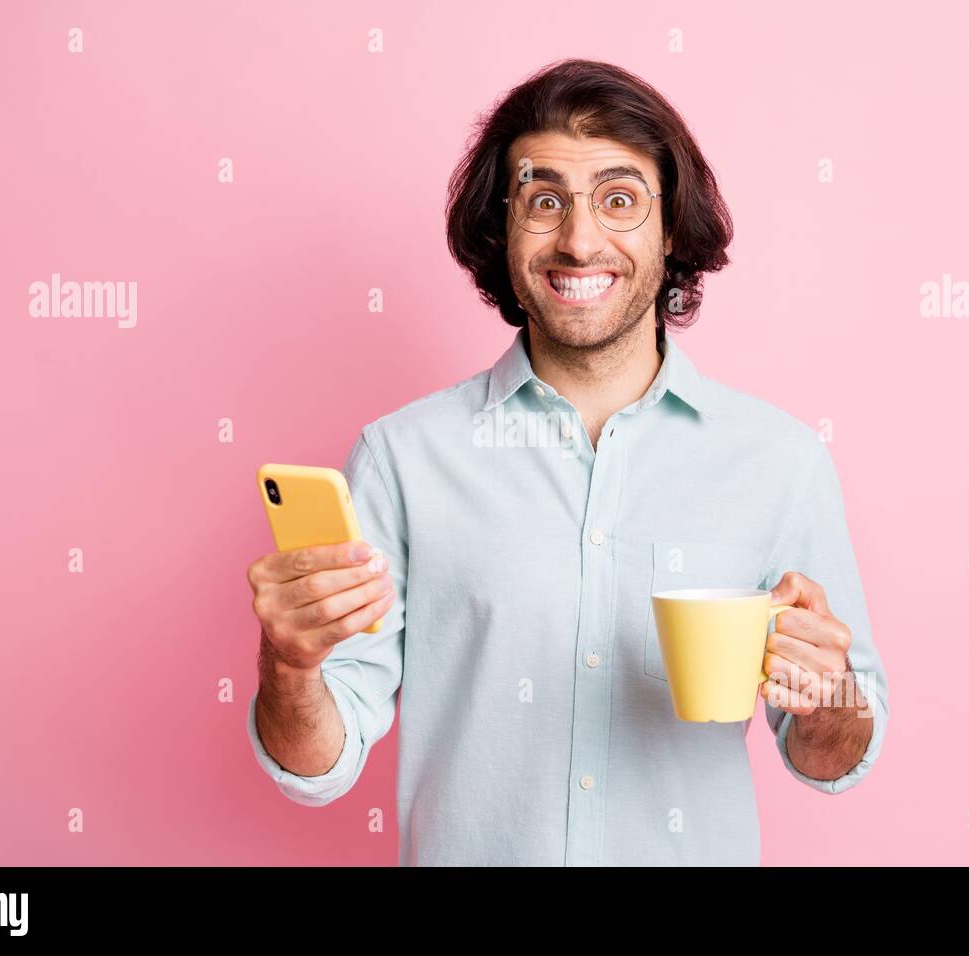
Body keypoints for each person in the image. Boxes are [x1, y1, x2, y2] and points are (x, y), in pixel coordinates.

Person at [246, 58, 888, 866]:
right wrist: (292, 662)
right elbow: (316, 767)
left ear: (671, 229)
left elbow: (831, 757)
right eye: (545, 201)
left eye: (619, 200)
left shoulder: (779, 460)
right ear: (501, 228)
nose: (580, 240)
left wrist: (826, 695)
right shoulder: (401, 459)